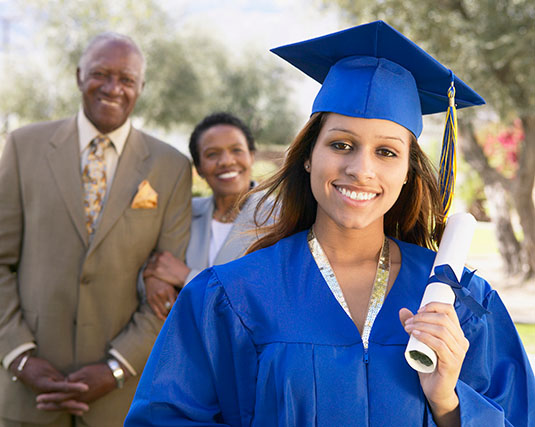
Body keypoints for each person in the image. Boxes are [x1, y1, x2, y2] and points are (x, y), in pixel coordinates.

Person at [125, 21, 534, 426]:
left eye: (387, 153)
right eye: (341, 144)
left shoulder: (461, 302)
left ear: (408, 171)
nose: (361, 169)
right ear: (308, 156)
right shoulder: (232, 296)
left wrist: (448, 402)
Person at [0, 32, 191, 426]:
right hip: (27, 397)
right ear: (78, 76)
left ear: (140, 87)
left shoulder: (171, 167)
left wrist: (117, 367)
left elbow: (166, 287)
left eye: (126, 79)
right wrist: (19, 357)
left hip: (120, 402)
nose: (112, 88)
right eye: (100, 74)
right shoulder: (22, 147)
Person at [141, 112, 270, 320]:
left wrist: (186, 276)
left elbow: (263, 299)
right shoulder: (184, 212)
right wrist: (152, 279)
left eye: (236, 150)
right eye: (212, 154)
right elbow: (151, 262)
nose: (226, 161)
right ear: (199, 168)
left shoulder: (280, 218)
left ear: (251, 156)